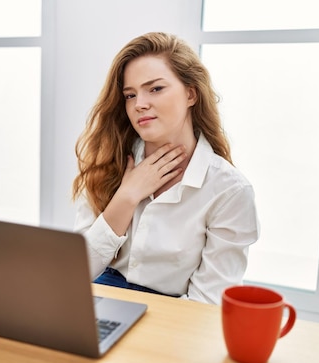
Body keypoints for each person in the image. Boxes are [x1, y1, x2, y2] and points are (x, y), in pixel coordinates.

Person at [72, 32, 259, 304]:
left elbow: (207, 302)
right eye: (130, 95)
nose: (140, 104)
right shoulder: (107, 162)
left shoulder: (229, 191)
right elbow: (76, 272)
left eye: (155, 89)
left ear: (191, 93)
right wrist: (126, 197)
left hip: (172, 319)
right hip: (93, 303)